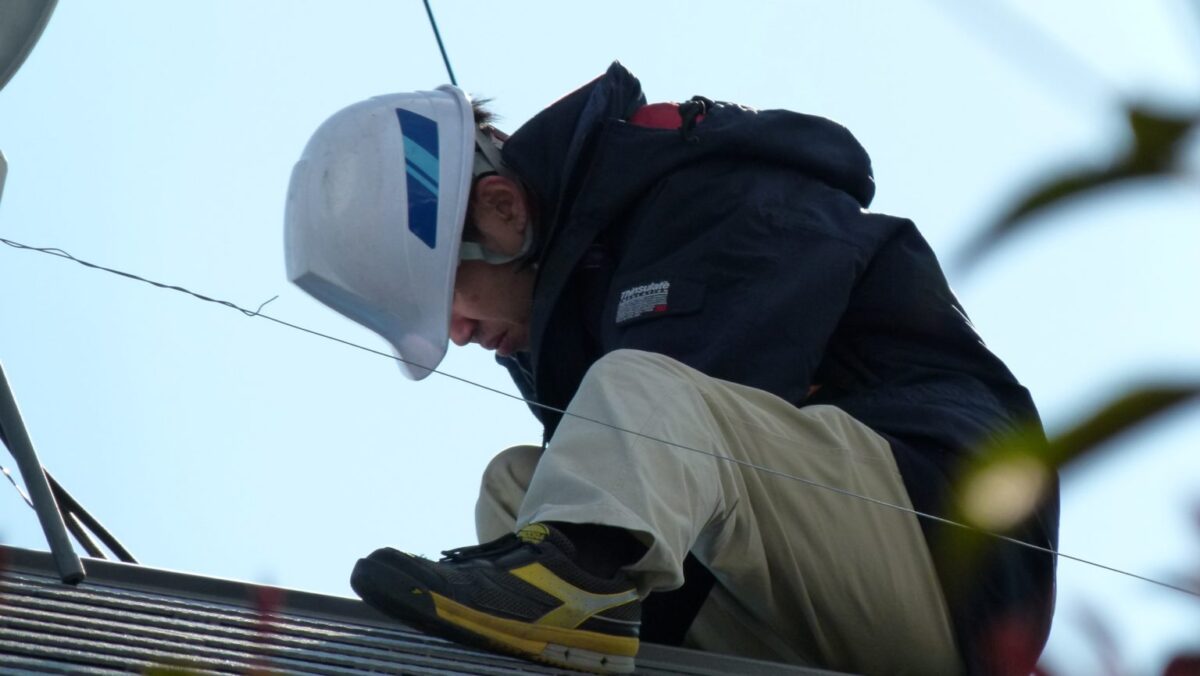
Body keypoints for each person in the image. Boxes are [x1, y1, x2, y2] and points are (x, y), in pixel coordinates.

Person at [284, 62, 1059, 675]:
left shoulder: (714, 204)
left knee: (635, 391)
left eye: (445, 294)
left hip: (944, 565)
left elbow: (709, 417)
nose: (455, 333)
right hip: (819, 588)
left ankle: (569, 611)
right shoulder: (591, 300)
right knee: (518, 487)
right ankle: (575, 632)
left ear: (502, 212)